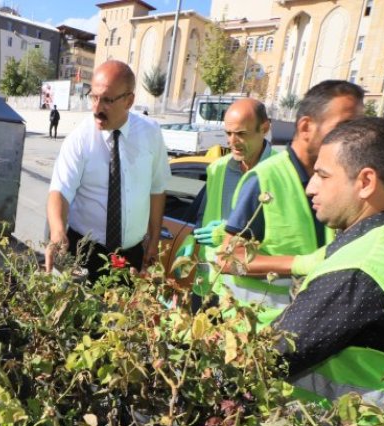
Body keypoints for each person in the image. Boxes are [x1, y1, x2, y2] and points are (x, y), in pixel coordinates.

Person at [273, 117, 384, 405]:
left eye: (322, 175)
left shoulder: (359, 270)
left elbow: (268, 357)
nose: (311, 187)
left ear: (366, 182)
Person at [216, 80, 364, 313]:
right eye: (344, 126)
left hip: (310, 326)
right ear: (306, 127)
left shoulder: (338, 179)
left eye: (358, 127)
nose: (354, 138)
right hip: (261, 331)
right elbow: (227, 259)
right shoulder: (266, 179)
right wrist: (299, 264)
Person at [45, 60, 170, 282]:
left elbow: (157, 189)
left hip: (130, 255)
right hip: (84, 253)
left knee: (121, 315)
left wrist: (153, 242)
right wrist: (56, 232)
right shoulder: (80, 138)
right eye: (93, 97)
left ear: (129, 100)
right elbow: (60, 191)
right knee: (79, 314)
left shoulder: (151, 134)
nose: (97, 108)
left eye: (107, 100)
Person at [187, 98, 275, 298]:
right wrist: (192, 239)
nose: (232, 142)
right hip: (210, 284)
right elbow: (203, 218)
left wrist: (228, 234)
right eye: (228, 133)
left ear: (265, 128)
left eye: (241, 134)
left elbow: (284, 237)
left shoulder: (281, 172)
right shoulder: (218, 168)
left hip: (249, 294)